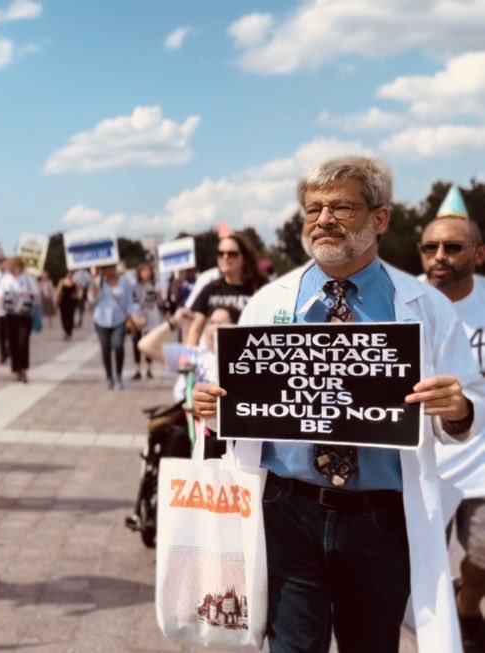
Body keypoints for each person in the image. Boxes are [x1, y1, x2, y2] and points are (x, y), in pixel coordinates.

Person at [192, 155, 485, 653]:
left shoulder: (427, 307)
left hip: (380, 522)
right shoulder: (270, 303)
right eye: (313, 209)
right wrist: (215, 408)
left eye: (341, 207)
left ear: (380, 218)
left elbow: (469, 403)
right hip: (287, 512)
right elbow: (237, 404)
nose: (324, 219)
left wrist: (459, 408)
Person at [420, 189, 485, 650]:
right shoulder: (402, 304)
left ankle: (468, 603)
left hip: (483, 462)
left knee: (483, 558)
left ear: (478, 254)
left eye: (453, 247)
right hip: (426, 464)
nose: (439, 256)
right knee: (421, 572)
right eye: (430, 247)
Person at [183, 234, 266, 347]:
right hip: (214, 354)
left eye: (232, 253)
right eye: (221, 253)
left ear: (244, 258)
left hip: (246, 352)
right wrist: (189, 355)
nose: (225, 257)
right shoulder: (211, 289)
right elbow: (195, 329)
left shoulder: (257, 289)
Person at [89, 264, 135, 390]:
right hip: (101, 320)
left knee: (118, 346)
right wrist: (94, 284)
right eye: (104, 268)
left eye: (109, 267)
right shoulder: (98, 282)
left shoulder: (124, 281)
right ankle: (109, 376)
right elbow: (91, 300)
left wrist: (129, 317)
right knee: (105, 349)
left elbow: (129, 300)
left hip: (119, 319)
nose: (107, 270)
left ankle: (118, 375)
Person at [0, 256, 37, 383]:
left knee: (23, 341)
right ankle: (16, 368)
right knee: (12, 342)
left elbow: (37, 293)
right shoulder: (5, 279)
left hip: (24, 315)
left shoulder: (28, 278)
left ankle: (23, 368)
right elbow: (0, 295)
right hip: (10, 314)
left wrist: (26, 292)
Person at [129, 261, 161, 380]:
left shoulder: (154, 285)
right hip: (138, 316)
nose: (146, 274)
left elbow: (156, 301)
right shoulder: (135, 286)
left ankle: (149, 368)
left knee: (149, 342)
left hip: (150, 316)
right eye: (144, 271)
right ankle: (137, 368)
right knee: (136, 341)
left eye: (148, 271)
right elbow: (133, 300)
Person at [55, 270, 79, 340]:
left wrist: (77, 296)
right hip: (63, 301)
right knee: (64, 316)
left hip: (72, 301)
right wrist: (56, 300)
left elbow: (77, 292)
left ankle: (69, 332)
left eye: (71, 274)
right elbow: (58, 291)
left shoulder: (74, 282)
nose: (70, 275)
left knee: (70, 316)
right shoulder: (62, 281)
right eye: (69, 273)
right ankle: (66, 331)